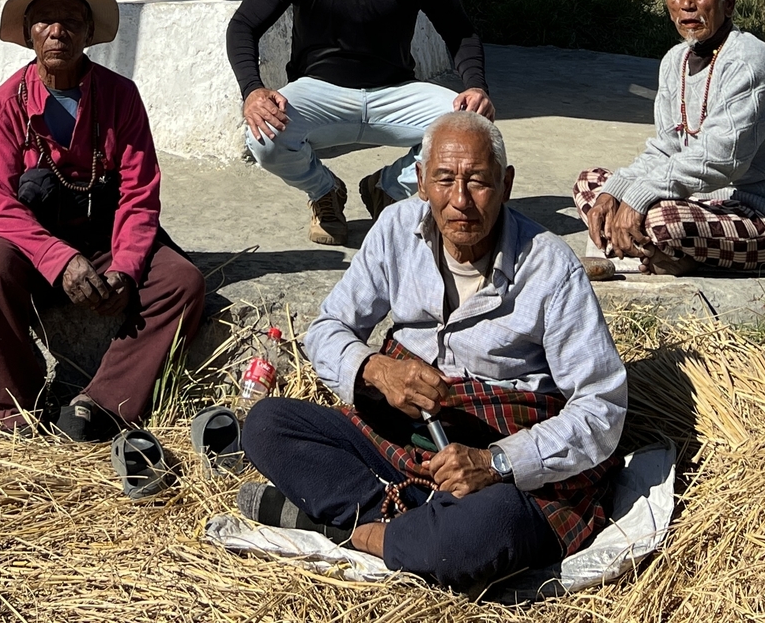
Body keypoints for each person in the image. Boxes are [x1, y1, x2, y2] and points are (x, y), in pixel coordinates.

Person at [238, 111, 627, 593]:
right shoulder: (396, 229)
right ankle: (413, 528)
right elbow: (327, 329)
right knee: (267, 425)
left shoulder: (550, 268)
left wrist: (497, 463)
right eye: (444, 180)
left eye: (478, 182)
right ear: (421, 181)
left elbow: (601, 407)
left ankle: (356, 531)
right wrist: (375, 368)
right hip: (404, 438)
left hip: (498, 462)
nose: (460, 200)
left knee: (483, 531)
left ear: (506, 184)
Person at [0, 0, 205, 437]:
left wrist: (125, 268)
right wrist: (59, 260)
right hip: (32, 242)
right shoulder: (5, 104)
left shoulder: (120, 96)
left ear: (88, 33)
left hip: (105, 235)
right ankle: (19, 409)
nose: (57, 32)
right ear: (29, 34)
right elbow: (0, 205)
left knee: (182, 282)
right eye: (45, 21)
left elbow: (139, 193)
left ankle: (99, 404)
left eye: (70, 21)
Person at [226, 0, 494, 245]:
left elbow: (460, 31)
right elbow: (243, 25)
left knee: (474, 128)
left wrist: (476, 86)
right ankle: (324, 191)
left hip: (394, 92)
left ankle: (388, 188)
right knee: (264, 136)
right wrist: (252, 90)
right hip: (320, 93)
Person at [573, 0, 765, 275]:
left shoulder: (749, 62)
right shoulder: (675, 61)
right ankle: (660, 253)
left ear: (728, 2)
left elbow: (720, 159)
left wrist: (640, 196)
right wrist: (616, 194)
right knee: (592, 184)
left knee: (661, 219)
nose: (687, 3)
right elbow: (665, 148)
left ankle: (648, 250)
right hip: (698, 202)